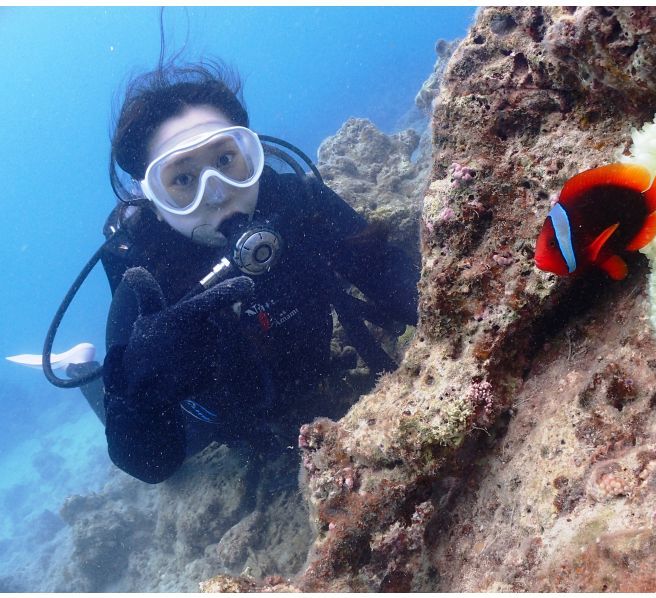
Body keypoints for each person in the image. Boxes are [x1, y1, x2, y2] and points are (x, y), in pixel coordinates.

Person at [99, 61, 419, 484]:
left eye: (225, 159)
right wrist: (143, 389)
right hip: (220, 423)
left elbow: (405, 287)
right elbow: (149, 465)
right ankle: (85, 375)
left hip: (312, 378)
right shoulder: (146, 284)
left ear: (250, 154)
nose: (217, 193)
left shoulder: (300, 207)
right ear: (153, 201)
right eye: (183, 179)